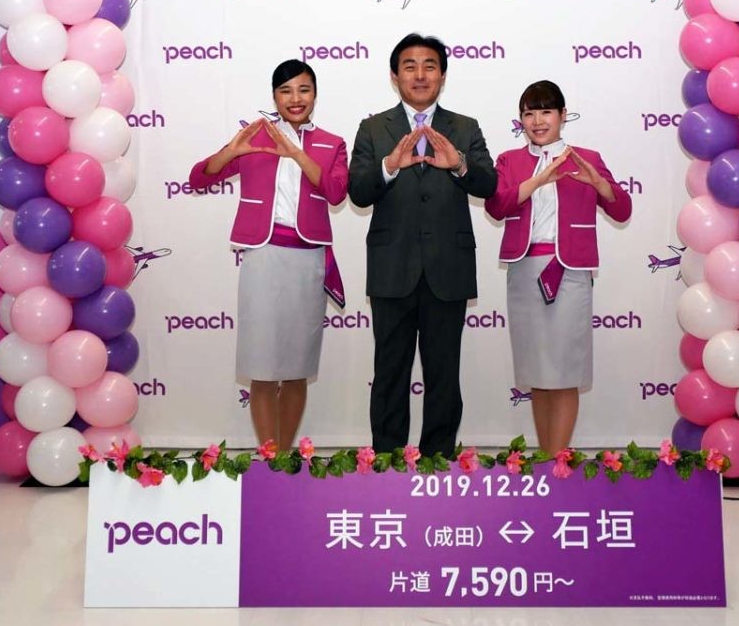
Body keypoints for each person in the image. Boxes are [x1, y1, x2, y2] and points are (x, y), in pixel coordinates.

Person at [348, 33, 497, 458]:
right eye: (409, 66)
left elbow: (489, 185)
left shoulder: (465, 128)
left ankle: (438, 462)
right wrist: (388, 166)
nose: (419, 74)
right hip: (392, 268)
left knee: (444, 373)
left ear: (442, 76)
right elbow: (358, 191)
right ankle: (388, 461)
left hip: (447, 269)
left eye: (429, 66)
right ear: (394, 76)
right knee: (389, 371)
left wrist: (460, 165)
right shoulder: (373, 128)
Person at [189, 60, 348, 449]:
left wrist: (296, 153)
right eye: (286, 91)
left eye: (304, 89)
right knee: (261, 367)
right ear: (274, 97)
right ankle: (271, 458)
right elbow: (198, 179)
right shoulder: (254, 137)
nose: (295, 99)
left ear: (315, 95)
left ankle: (285, 456)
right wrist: (231, 151)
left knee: (296, 367)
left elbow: (336, 193)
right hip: (262, 258)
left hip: (308, 260)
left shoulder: (332, 143)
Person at [484, 79, 632, 454]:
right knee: (538, 371)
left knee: (565, 371)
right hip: (524, 270)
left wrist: (599, 184)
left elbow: (622, 210)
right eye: (529, 113)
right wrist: (538, 180)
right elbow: (497, 206)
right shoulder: (509, 160)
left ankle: (556, 460)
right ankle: (547, 458)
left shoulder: (587, 157)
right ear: (520, 120)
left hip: (570, 269)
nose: (538, 121)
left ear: (563, 115)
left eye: (546, 112)